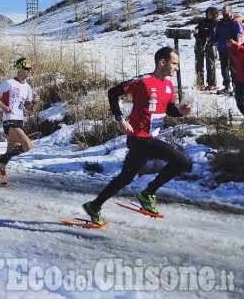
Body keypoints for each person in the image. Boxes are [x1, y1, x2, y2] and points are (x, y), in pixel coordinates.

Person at [82, 46, 193, 226]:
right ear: (162, 62)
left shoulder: (168, 85)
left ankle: (94, 206)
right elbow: (113, 93)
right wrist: (120, 120)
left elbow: (169, 109)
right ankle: (148, 193)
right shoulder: (143, 81)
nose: (176, 68)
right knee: (182, 162)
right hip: (138, 139)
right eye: (174, 63)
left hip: (150, 139)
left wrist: (180, 111)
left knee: (125, 178)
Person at [0, 58, 40, 185]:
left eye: (30, 69)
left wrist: (33, 102)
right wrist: (2, 106)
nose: (29, 71)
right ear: (20, 70)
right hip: (10, 120)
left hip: (19, 120)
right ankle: (1, 159)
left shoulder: (27, 87)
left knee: (11, 150)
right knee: (27, 145)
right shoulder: (9, 83)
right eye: (27, 69)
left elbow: (28, 107)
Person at [212, 5, 244, 94]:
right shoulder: (220, 23)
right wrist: (212, 41)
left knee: (233, 68)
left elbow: (239, 33)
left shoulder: (235, 21)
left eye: (225, 11)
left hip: (232, 49)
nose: (223, 12)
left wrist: (234, 41)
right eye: (222, 11)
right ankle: (227, 86)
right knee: (224, 68)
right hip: (222, 48)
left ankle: (236, 87)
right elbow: (216, 35)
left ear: (230, 11)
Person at [193, 7, 219, 90]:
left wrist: (211, 38)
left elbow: (217, 35)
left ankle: (212, 84)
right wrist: (196, 34)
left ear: (215, 15)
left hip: (211, 45)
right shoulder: (202, 22)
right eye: (208, 13)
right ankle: (200, 83)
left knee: (211, 64)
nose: (209, 15)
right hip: (200, 44)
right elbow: (196, 32)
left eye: (211, 13)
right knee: (199, 64)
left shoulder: (216, 23)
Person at [228, 31, 244, 123]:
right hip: (241, 78)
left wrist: (235, 46)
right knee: (239, 99)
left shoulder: (243, 47)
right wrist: (230, 47)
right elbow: (236, 55)